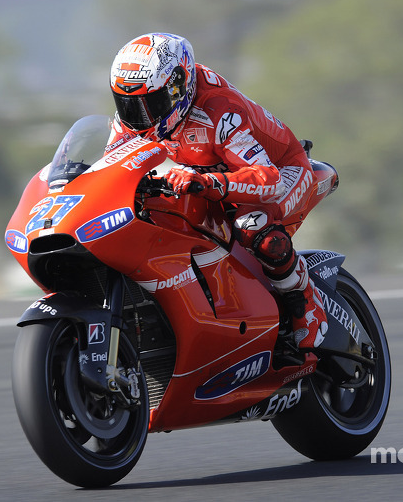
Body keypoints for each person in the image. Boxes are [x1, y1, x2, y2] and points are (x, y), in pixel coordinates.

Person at [107, 32, 328, 351]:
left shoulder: (219, 110)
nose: (137, 118)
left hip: (282, 170)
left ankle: (306, 303)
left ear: (177, 86)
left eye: (149, 104)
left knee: (254, 227)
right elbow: (111, 166)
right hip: (210, 175)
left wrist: (207, 183)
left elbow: (267, 181)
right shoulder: (133, 119)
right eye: (127, 105)